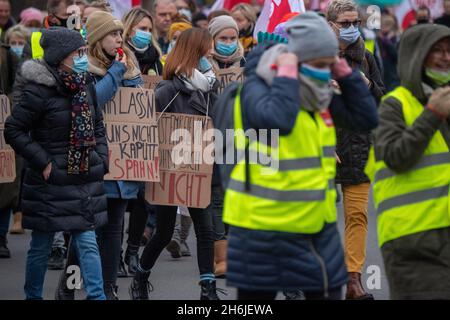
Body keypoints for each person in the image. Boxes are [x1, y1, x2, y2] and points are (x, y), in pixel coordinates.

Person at [220, 11, 378, 300]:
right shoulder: (255, 87)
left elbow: (366, 118)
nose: (324, 71)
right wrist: (288, 73)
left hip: (314, 228)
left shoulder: (316, 93)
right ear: (292, 60)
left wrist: (345, 73)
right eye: (318, 64)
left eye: (328, 63)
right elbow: (280, 118)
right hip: (261, 229)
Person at [4, 27, 108, 300]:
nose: (84, 57)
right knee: (41, 245)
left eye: (84, 51)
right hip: (49, 181)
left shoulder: (86, 84)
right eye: (78, 53)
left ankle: (97, 297)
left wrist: (102, 158)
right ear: (61, 56)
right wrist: (44, 162)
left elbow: (98, 125)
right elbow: (13, 129)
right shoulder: (38, 91)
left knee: (87, 242)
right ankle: (33, 296)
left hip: (83, 176)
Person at [129, 28, 221, 300]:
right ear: (196, 51)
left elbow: (219, 122)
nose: (212, 53)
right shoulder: (166, 90)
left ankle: (208, 289)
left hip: (198, 169)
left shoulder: (211, 88)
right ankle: (141, 276)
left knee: (205, 230)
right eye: (208, 48)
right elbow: (149, 130)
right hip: (169, 172)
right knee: (164, 231)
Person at [367, 24, 450, 300]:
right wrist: (432, 115)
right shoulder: (395, 104)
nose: (446, 57)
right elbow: (395, 157)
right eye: (436, 50)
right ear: (417, 55)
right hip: (415, 241)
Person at [326, 0, 385, 300]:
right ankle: (315, 277)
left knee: (357, 215)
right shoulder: (315, 58)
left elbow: (381, 99)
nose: (351, 29)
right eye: (345, 23)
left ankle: (353, 280)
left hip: (360, 146)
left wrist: (366, 85)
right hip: (323, 146)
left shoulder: (367, 58)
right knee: (318, 218)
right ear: (331, 23)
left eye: (355, 23)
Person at [85, 10, 143, 299]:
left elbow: (139, 105)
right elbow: (94, 101)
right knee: (89, 231)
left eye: (120, 34)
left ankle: (109, 289)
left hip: (123, 164)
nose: (119, 39)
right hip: (96, 160)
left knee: (113, 233)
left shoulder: (127, 64)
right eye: (113, 34)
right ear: (98, 37)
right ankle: (69, 287)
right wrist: (117, 73)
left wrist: (129, 75)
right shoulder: (84, 67)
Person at [122, 7, 163, 76]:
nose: (148, 33)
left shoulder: (155, 57)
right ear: (128, 29)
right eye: (143, 28)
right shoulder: (119, 56)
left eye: (150, 30)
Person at [377, 11, 401, 91]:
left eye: (386, 25)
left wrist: (386, 42)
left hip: (393, 76)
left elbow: (397, 56)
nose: (383, 28)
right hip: (381, 75)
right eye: (382, 25)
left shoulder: (396, 39)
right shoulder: (377, 39)